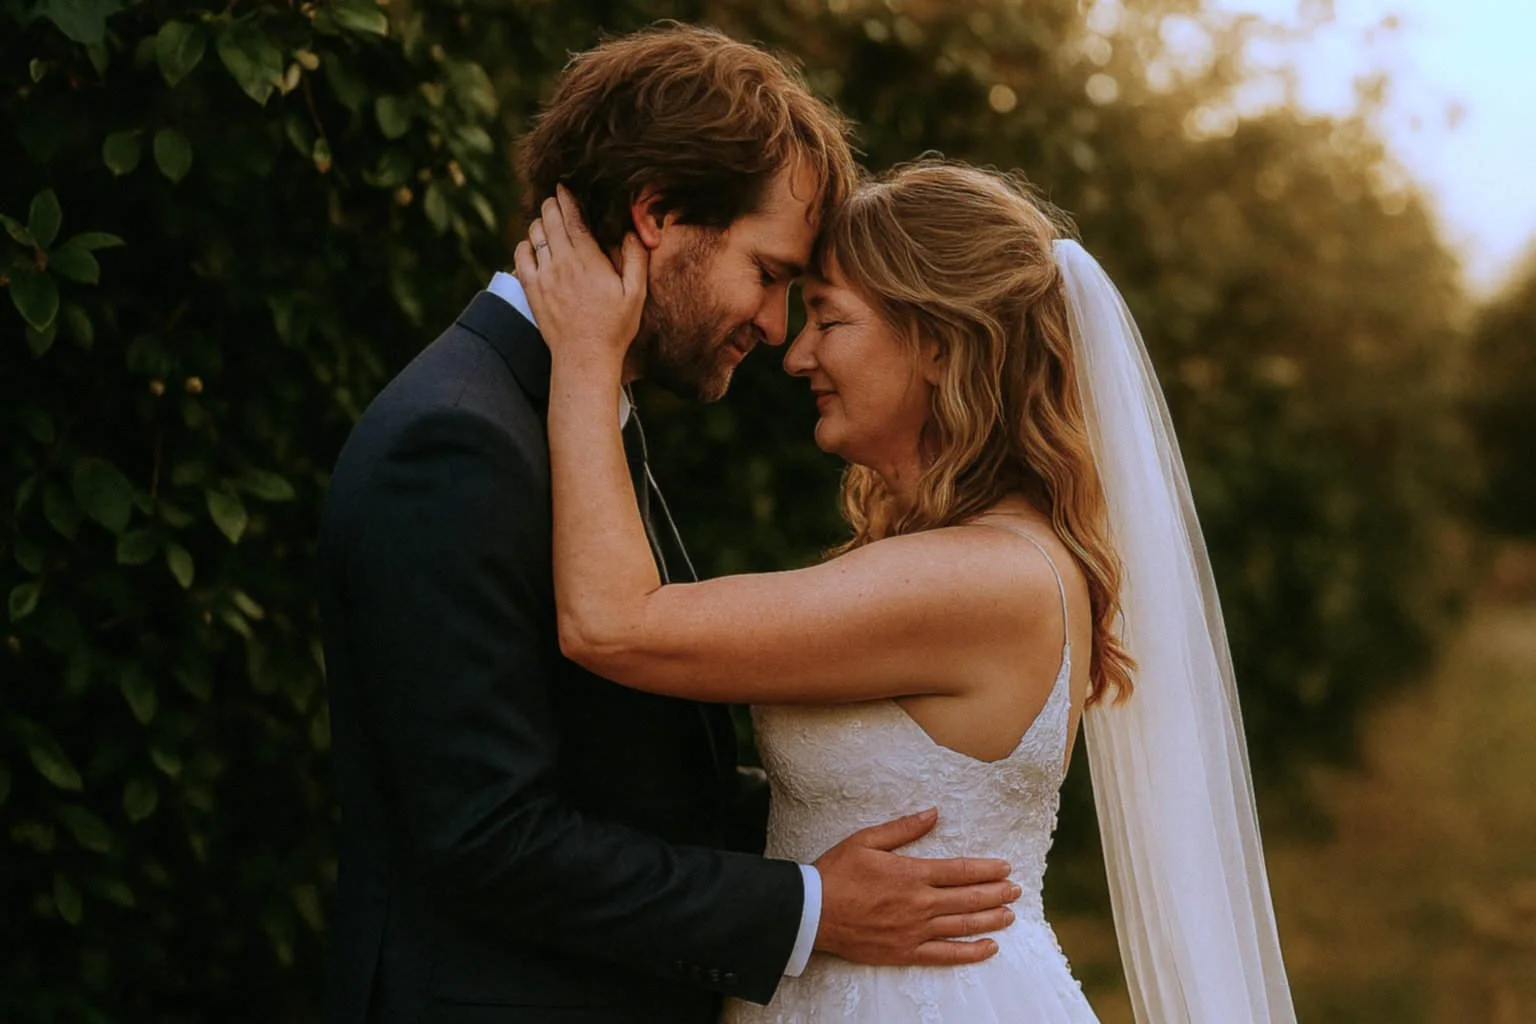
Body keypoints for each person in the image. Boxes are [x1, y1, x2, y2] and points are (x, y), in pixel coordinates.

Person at [317, 27, 1019, 1024]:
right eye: (769, 272)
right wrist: (811, 906)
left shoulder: (571, 406)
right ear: (658, 214)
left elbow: (623, 776)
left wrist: (870, 797)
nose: (776, 328)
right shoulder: (456, 441)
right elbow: (487, 838)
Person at [518, 158, 1299, 1022]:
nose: (797, 353)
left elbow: (614, 624)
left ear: (937, 342)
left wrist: (586, 358)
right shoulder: (964, 557)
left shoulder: (982, 577)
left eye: (828, 317)